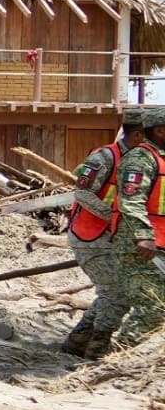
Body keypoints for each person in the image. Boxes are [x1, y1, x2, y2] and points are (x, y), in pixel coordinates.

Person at [62, 112, 141, 357]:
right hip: (90, 236)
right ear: (138, 135)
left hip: (114, 237)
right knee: (117, 293)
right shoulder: (104, 158)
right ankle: (97, 349)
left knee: (112, 292)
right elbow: (82, 193)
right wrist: (113, 217)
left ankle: (77, 342)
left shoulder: (142, 161)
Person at [108, 107, 165, 354]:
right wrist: (144, 235)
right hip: (139, 246)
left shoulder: (160, 158)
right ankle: (122, 358)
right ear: (160, 131)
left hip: (157, 243)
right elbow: (131, 201)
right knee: (153, 306)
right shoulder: (140, 159)